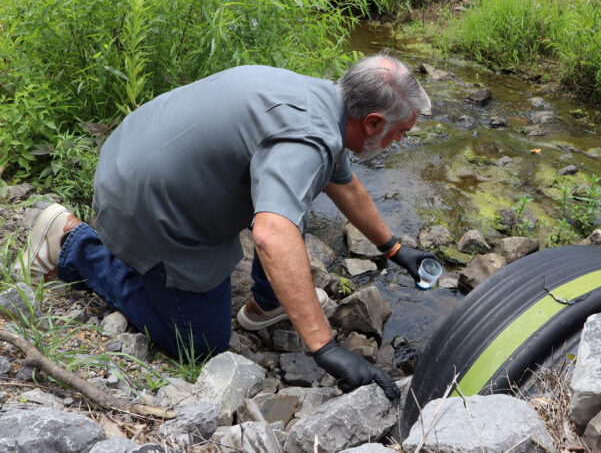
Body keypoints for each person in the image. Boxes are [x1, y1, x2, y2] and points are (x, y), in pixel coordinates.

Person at [23, 54, 439, 399]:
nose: (401, 140)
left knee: (293, 197)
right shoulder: (310, 138)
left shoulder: (323, 99)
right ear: (372, 121)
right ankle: (73, 243)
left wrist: (394, 250)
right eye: (401, 132)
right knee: (202, 340)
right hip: (143, 202)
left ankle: (265, 303)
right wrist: (324, 347)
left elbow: (343, 186)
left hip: (133, 153)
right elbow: (272, 234)